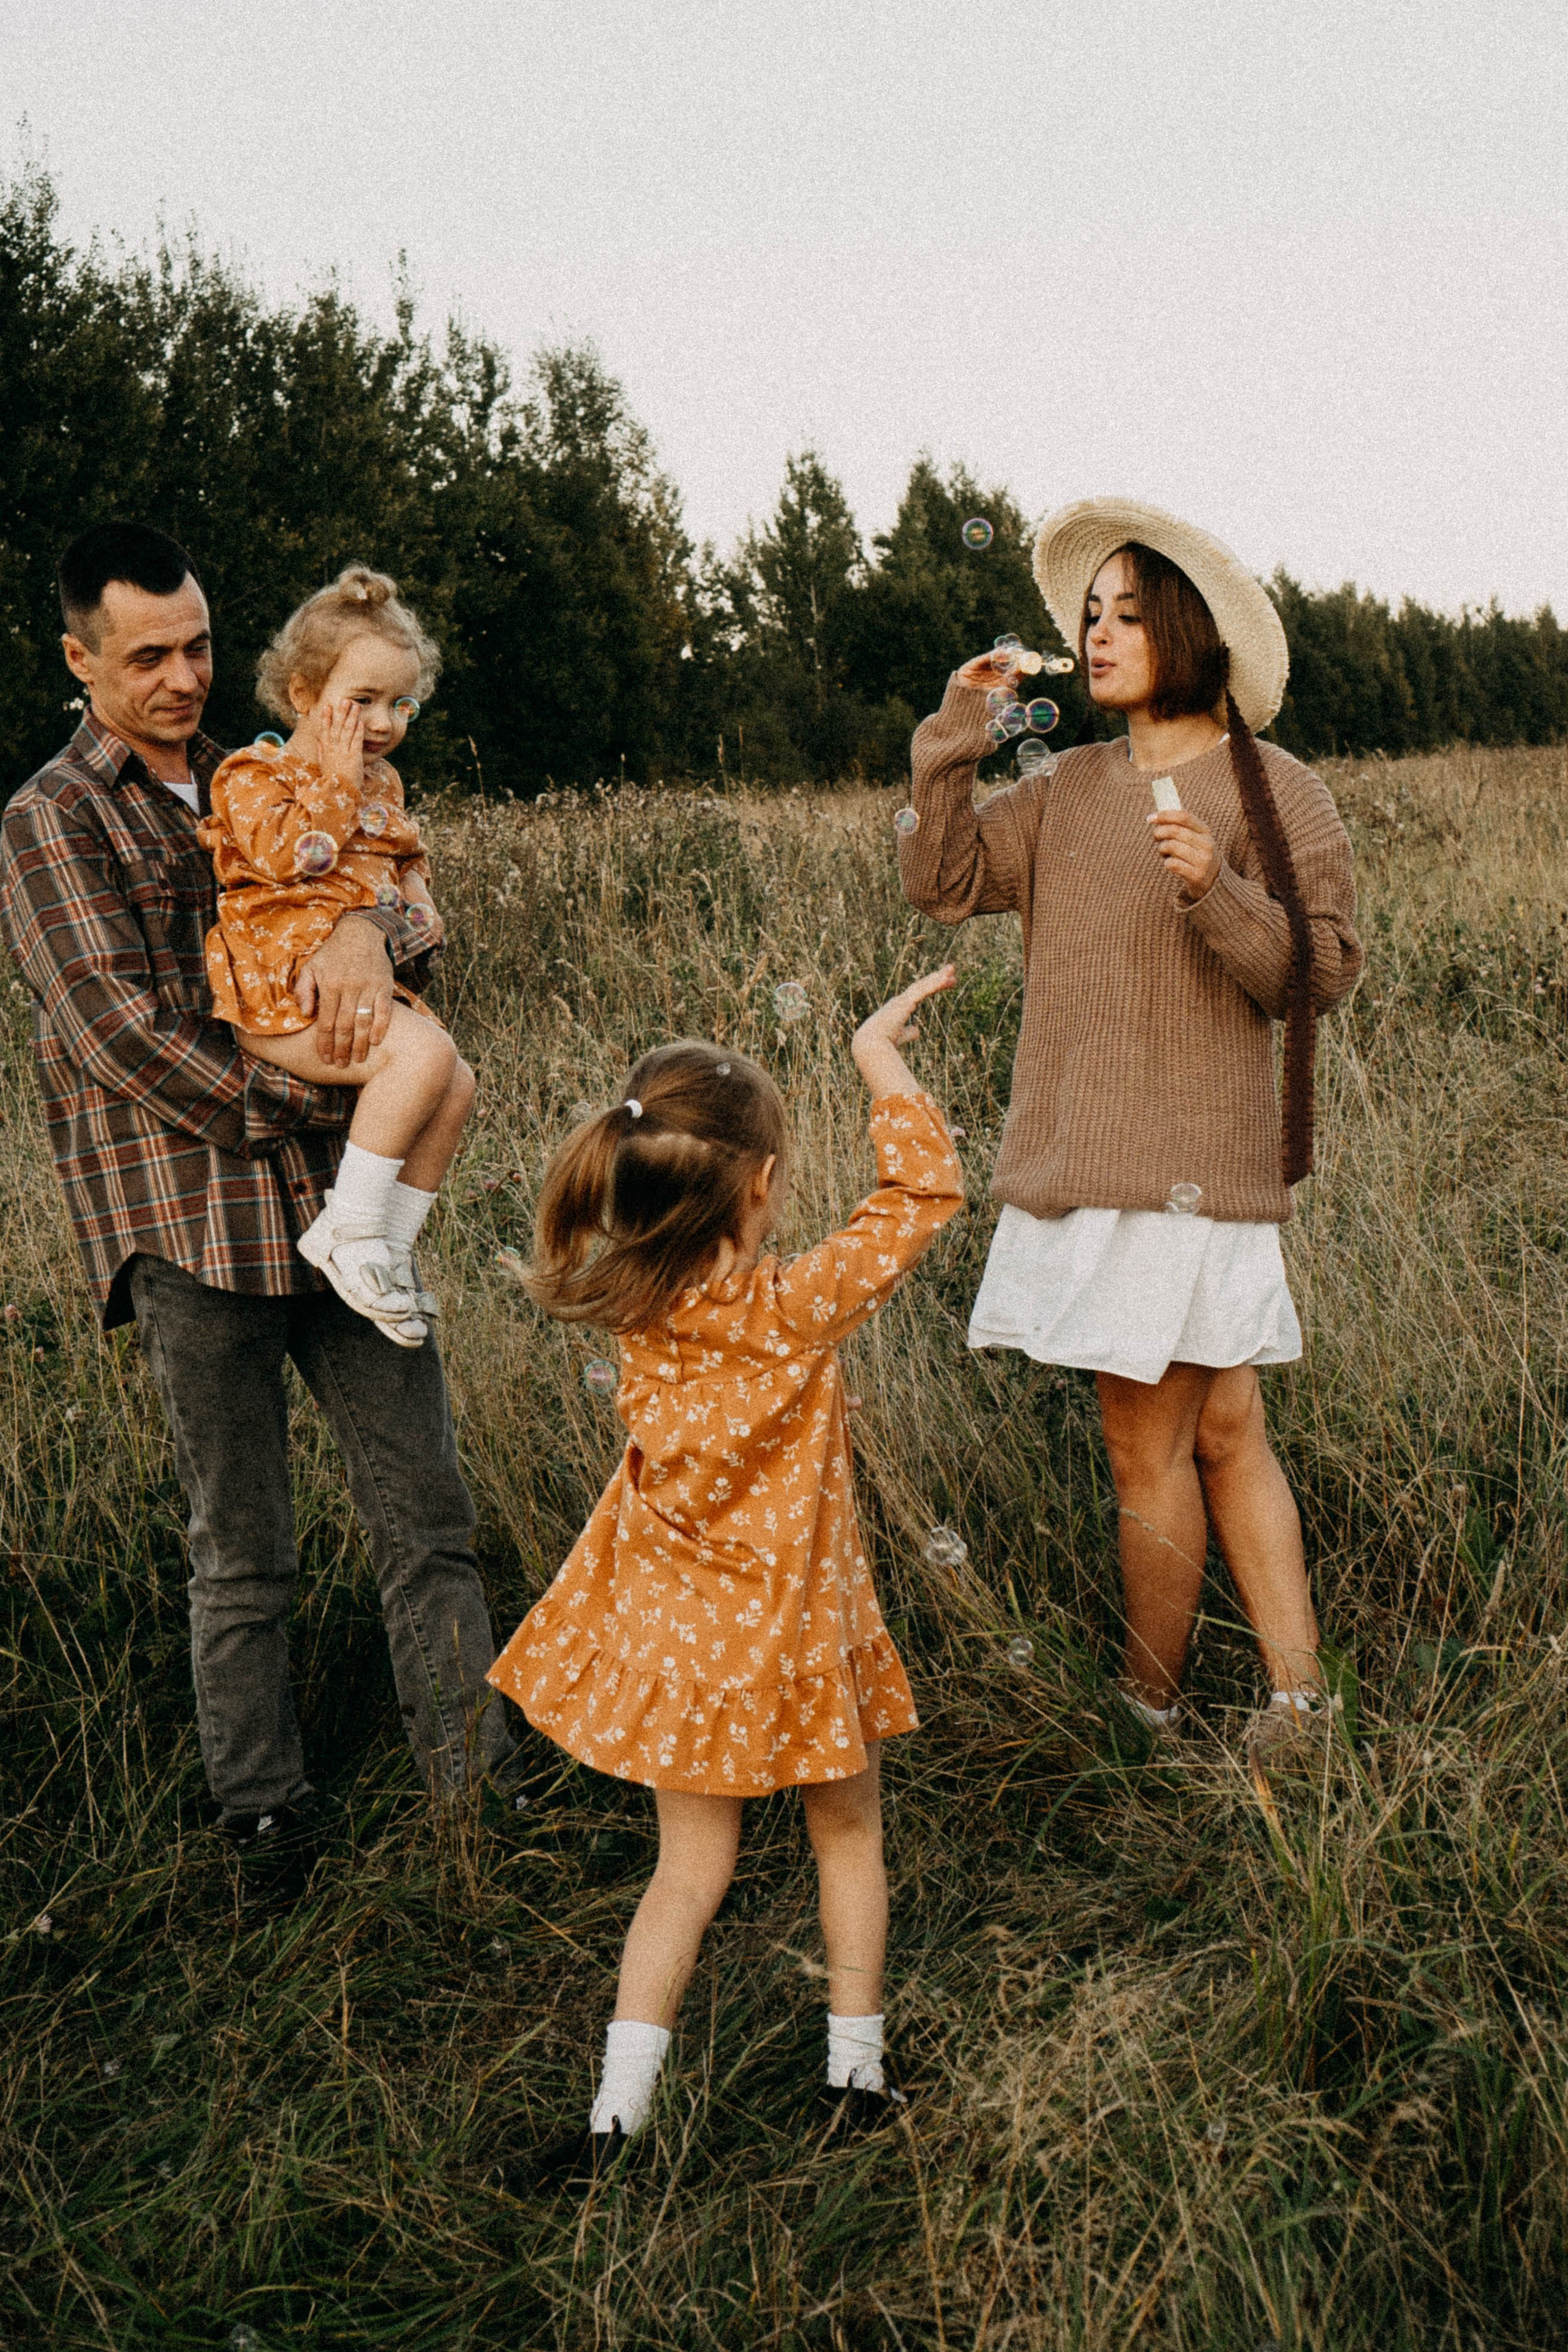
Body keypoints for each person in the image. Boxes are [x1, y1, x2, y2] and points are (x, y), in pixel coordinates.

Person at [0, 523, 519, 1874]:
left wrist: (363, 926)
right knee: (242, 1548)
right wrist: (321, 1099)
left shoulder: (278, 772)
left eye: (200, 648)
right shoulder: (53, 817)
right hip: (191, 1220)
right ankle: (265, 1812)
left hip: (344, 1211)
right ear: (80, 658)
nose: (182, 677)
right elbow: (117, 1033)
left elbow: (413, 924)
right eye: (148, 656)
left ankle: (477, 1793)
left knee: (427, 1510)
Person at [898, 498, 1363, 1758]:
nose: (1094, 636)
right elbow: (938, 882)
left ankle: (1146, 1711)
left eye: (1123, 614)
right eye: (1085, 617)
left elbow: (1318, 973)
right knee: (1215, 1432)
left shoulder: (1278, 795)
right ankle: (1292, 1708)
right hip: (1092, 1165)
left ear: (1189, 630)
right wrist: (954, 735)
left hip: (1197, 1169)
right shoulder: (1064, 790)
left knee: (1163, 1446)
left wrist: (1216, 893)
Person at [486, 968, 963, 2169]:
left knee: (684, 1872)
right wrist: (876, 1057)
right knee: (845, 1838)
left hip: (682, 1646)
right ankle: (854, 2081)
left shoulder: (625, 1308)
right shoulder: (794, 1307)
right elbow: (924, 1192)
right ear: (759, 1188)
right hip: (800, 1637)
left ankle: (615, 2121)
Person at [200, 566, 472, 1349]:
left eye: (401, 703)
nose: (383, 722)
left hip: (344, 993)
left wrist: (416, 897)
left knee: (456, 1082)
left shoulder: (381, 785)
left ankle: (387, 1248)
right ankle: (344, 1234)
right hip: (273, 994)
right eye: (361, 701)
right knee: (424, 1059)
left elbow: (399, 859)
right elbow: (291, 855)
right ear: (301, 695)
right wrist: (341, 786)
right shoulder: (255, 776)